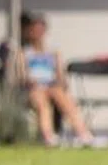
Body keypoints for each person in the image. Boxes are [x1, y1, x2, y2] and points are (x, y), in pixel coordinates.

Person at [13, 11, 93, 147]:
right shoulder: (24, 53)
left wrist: (60, 82)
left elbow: (60, 73)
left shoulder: (53, 52)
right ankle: (48, 136)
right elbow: (22, 75)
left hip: (52, 86)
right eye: (34, 29)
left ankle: (83, 134)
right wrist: (31, 81)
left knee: (65, 100)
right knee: (43, 104)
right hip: (34, 88)